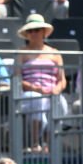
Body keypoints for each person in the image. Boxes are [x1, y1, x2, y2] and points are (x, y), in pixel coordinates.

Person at [17, 14, 67, 152]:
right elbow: (17, 78)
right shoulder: (21, 52)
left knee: (60, 103)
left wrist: (56, 90)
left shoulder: (55, 53)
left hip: (51, 93)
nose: (34, 33)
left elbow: (62, 79)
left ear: (44, 32)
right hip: (29, 95)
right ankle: (35, 143)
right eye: (30, 31)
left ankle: (50, 143)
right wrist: (35, 88)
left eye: (37, 30)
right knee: (37, 100)